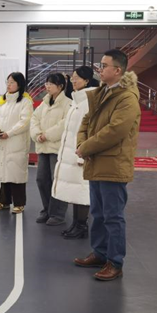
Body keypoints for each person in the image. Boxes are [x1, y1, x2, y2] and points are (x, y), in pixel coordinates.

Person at [73, 50, 140, 281]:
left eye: (104, 65)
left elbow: (115, 131)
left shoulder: (127, 98)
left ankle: (115, 261)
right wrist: (81, 143)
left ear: (118, 70)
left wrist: (85, 147)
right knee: (98, 213)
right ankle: (100, 254)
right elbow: (86, 121)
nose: (99, 69)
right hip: (97, 162)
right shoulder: (102, 92)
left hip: (113, 164)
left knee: (113, 216)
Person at [53, 66, 100, 239]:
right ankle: (76, 224)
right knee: (74, 191)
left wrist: (83, 154)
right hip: (72, 153)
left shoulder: (89, 101)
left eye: (77, 78)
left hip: (80, 154)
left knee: (81, 190)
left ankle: (81, 226)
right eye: (72, 77)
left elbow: (90, 130)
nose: (73, 80)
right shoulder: (77, 100)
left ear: (87, 80)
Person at [30, 73, 71, 225]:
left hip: (56, 148)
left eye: (51, 84)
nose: (47, 86)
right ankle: (47, 210)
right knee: (42, 180)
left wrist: (46, 135)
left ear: (60, 86)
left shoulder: (68, 103)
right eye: (46, 83)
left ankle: (58, 214)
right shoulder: (44, 103)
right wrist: (37, 134)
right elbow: (34, 119)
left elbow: (64, 124)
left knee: (57, 181)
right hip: (43, 148)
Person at [0, 72, 33, 214]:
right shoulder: (3, 100)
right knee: (4, 171)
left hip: (16, 142)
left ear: (19, 84)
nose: (8, 85)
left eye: (12, 82)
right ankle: (4, 201)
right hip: (3, 142)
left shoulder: (25, 101)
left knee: (16, 173)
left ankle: (19, 203)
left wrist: (9, 133)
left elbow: (25, 122)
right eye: (7, 82)